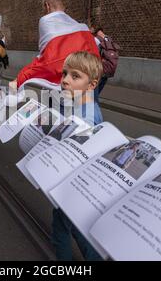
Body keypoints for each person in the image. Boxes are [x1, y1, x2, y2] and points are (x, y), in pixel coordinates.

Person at [51, 51, 104, 261]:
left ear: (91, 85)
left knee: (60, 232)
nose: (65, 80)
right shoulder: (82, 105)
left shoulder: (87, 116)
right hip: (75, 184)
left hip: (72, 183)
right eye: (64, 74)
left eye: (75, 76)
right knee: (74, 226)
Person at [9, 0, 99, 89]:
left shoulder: (46, 21)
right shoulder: (81, 27)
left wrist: (19, 79)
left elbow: (46, 62)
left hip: (64, 88)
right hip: (88, 81)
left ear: (47, 6)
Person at [90, 25, 120, 97]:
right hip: (107, 70)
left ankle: (91, 106)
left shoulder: (96, 40)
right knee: (96, 94)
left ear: (93, 30)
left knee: (91, 95)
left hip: (98, 71)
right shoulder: (108, 39)